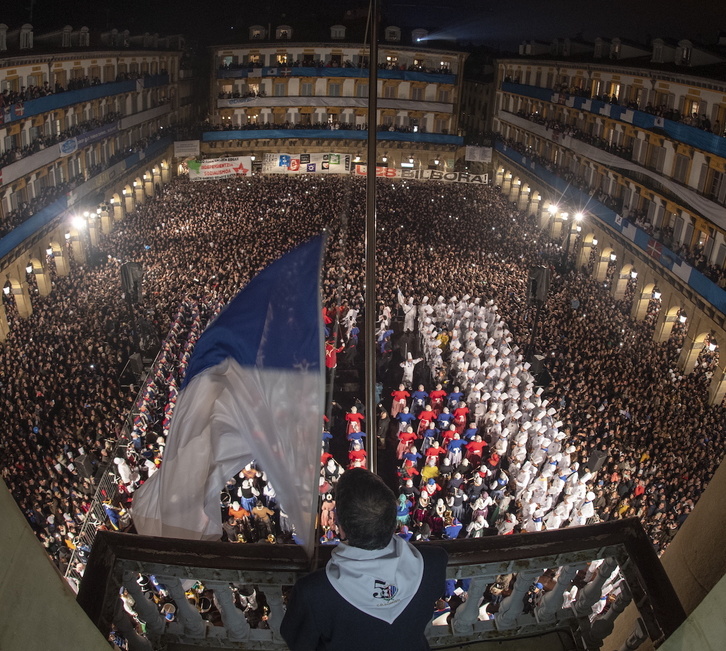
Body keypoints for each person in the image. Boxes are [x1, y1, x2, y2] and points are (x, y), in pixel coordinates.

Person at [280, 468, 448, 650]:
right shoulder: (434, 562)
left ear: (340, 526)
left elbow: (299, 643)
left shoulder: (312, 592)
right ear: (393, 522)